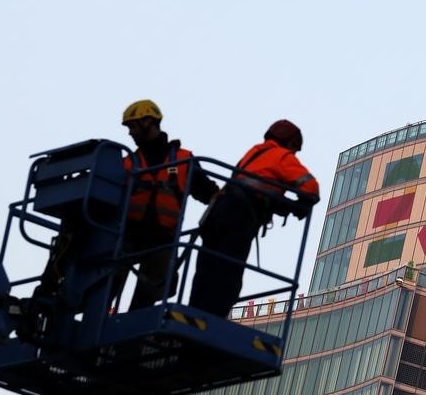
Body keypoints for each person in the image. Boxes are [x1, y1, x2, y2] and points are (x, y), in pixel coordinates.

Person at [189, 119, 319, 317]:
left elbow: (259, 183)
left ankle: (194, 314)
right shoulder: (282, 156)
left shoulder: (253, 153)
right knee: (228, 271)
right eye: (295, 147)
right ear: (288, 141)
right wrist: (300, 205)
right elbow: (311, 188)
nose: (295, 153)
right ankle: (212, 318)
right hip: (240, 214)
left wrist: (277, 202)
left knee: (207, 268)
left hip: (217, 213)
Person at [114, 99, 219, 310]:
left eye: (132, 127)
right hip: (128, 235)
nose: (129, 133)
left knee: (150, 292)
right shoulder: (127, 163)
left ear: (148, 122)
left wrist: (223, 201)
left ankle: (133, 333)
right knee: (108, 278)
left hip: (162, 239)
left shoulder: (182, 160)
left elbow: (209, 193)